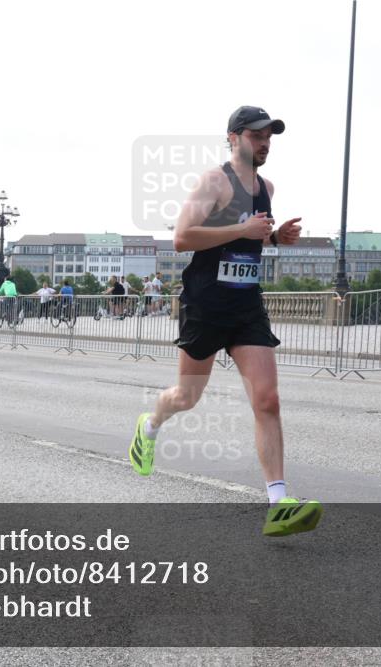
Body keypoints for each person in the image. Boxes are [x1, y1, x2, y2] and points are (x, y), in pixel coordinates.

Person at [129, 106, 321, 537]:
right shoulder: (214, 181)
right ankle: (150, 424)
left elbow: (252, 233)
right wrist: (245, 232)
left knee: (267, 400)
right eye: (256, 135)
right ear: (234, 138)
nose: (265, 142)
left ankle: (278, 502)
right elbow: (182, 238)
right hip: (206, 303)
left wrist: (274, 238)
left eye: (269, 135)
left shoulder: (266, 187)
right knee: (186, 396)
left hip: (246, 304)